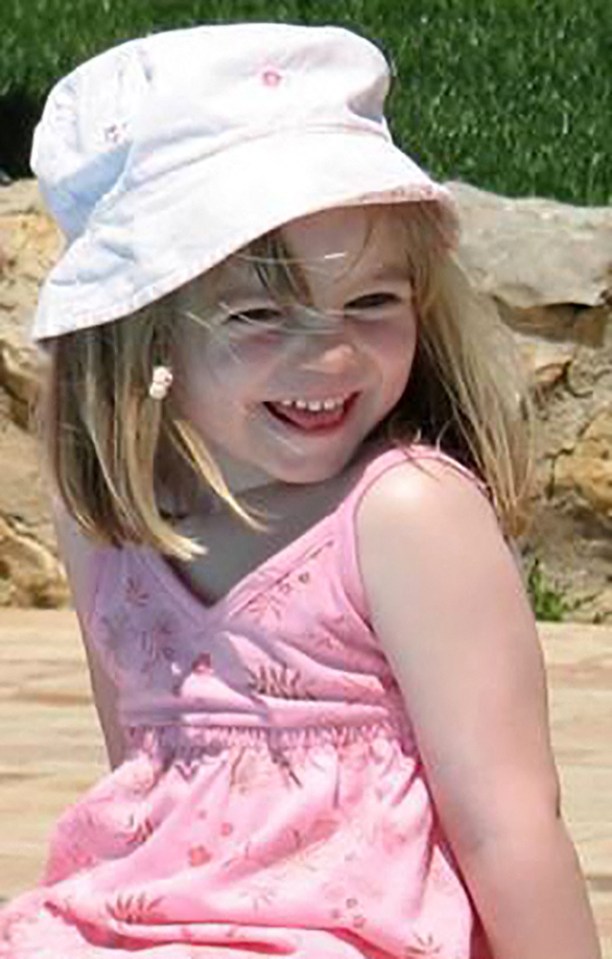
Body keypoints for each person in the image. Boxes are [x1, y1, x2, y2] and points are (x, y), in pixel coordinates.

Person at [0, 21, 601, 959]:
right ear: (143, 330)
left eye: (372, 301)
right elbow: (144, 790)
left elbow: (510, 826)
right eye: (256, 312)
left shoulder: (404, 515)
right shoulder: (110, 518)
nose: (328, 353)